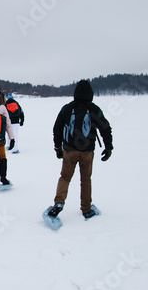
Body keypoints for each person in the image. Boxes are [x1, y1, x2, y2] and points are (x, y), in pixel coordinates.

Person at [48, 80, 113, 219]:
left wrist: (57, 147)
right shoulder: (94, 109)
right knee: (86, 179)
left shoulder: (67, 108)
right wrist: (108, 148)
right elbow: (105, 129)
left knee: (65, 177)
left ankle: (59, 203)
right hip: (87, 151)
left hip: (69, 151)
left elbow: (57, 129)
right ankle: (86, 209)